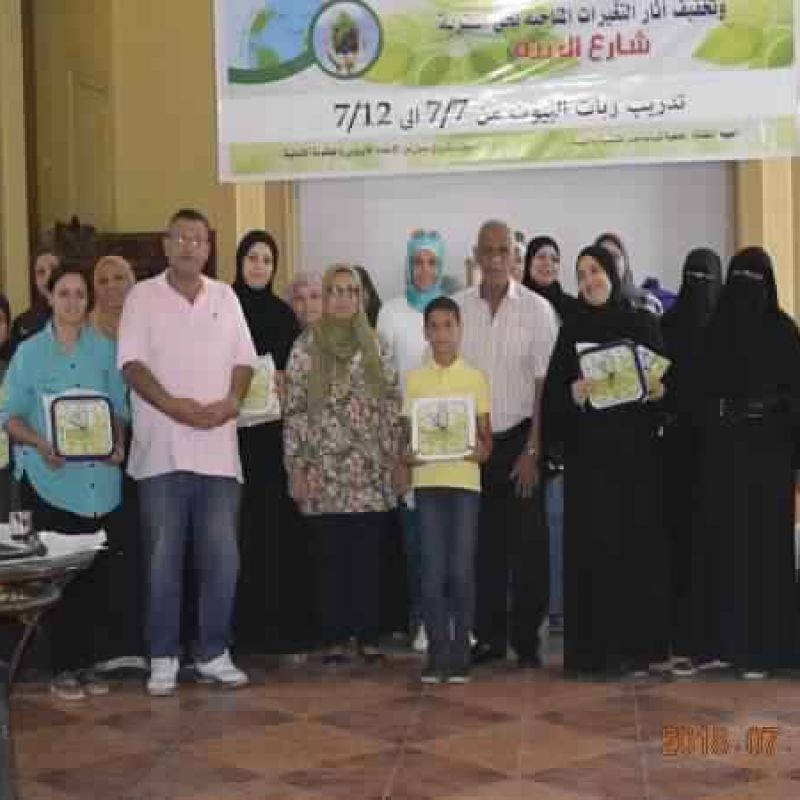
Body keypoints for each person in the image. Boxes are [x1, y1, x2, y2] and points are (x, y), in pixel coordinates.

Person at [117, 208, 258, 696]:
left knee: (222, 559)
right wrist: (174, 406)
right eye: (180, 238)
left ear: (208, 246)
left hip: (219, 453)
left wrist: (231, 402)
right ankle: (162, 656)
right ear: (165, 243)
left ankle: (214, 652)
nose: (189, 246)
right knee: (162, 559)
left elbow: (244, 362)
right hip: (161, 454)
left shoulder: (226, 297)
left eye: (198, 239)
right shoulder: (142, 297)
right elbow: (131, 365)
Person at [542, 245, 669, 678]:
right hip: (589, 465)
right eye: (581, 275)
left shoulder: (642, 322)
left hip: (634, 463)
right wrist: (571, 395)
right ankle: (593, 653)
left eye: (595, 271)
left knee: (631, 551)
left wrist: (659, 394)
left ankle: (634, 650)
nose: (589, 280)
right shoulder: (571, 327)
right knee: (592, 552)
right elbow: (553, 400)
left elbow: (666, 390)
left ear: (613, 274)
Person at [5, 264, 128, 701]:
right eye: (64, 293)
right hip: (53, 482)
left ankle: (89, 666)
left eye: (79, 294)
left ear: (87, 301)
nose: (73, 301)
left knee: (96, 580)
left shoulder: (105, 350)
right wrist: (40, 443)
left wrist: (117, 443)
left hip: (100, 484)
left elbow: (118, 408)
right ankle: (62, 668)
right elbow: (9, 416)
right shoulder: (30, 353)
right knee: (59, 582)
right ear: (50, 299)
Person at [284, 264, 405, 665]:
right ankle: (335, 637)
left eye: (351, 291)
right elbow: (296, 409)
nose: (342, 298)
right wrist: (297, 467)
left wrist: (397, 459)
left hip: (369, 470)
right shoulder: (305, 346)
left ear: (361, 297)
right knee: (329, 558)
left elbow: (391, 405)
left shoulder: (378, 345)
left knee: (367, 558)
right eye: (334, 290)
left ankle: (368, 636)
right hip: (324, 469)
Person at [690, 247, 800, 679]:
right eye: (739, 278)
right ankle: (720, 644)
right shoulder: (713, 332)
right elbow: (695, 394)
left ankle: (761, 648)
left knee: (762, 551)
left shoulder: (785, 333)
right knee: (721, 547)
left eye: (755, 280)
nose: (746, 289)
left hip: (768, 459)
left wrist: (768, 409)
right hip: (721, 458)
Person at [455, 220, 558, 669]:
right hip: (475, 442)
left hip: (521, 439)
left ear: (514, 258)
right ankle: (491, 637)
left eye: (504, 251)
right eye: (488, 250)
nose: (496, 258)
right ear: (477, 255)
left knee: (529, 548)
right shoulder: (458, 309)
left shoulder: (536, 310)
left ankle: (528, 639)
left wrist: (533, 451)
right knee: (485, 548)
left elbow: (544, 387)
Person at [231, 230, 316, 656]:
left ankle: (278, 628)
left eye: (267, 259)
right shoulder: (223, 306)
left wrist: (285, 384)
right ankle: (238, 632)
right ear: (239, 261)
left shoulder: (283, 316)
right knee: (237, 533)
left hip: (273, 440)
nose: (259, 266)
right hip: (230, 438)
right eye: (252, 257)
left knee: (274, 532)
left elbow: (296, 372)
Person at [404, 297, 492, 683]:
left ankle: (460, 656)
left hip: (464, 486)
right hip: (428, 486)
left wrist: (480, 451)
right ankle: (437, 655)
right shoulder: (414, 380)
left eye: (448, 325)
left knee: (460, 571)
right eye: (434, 326)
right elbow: (406, 439)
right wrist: (409, 455)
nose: (441, 334)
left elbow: (487, 441)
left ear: (460, 329)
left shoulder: (475, 378)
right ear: (425, 332)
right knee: (432, 572)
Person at [377, 230, 445, 651]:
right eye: (417, 262)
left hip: (448, 439)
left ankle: (450, 618)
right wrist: (396, 450)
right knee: (417, 538)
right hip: (406, 438)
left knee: (449, 534)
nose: (424, 270)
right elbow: (386, 384)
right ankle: (422, 619)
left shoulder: (451, 311)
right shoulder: (391, 312)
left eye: (432, 262)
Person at [659, 249, 722, 676]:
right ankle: (681, 638)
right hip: (679, 454)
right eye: (692, 277)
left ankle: (710, 638)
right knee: (679, 546)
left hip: (717, 457)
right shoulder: (666, 326)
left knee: (711, 546)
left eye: (705, 277)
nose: (698, 284)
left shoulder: (729, 329)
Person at [87, 255, 147, 673]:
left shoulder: (148, 325)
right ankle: (107, 645)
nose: (112, 286)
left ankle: (139, 641)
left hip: (150, 450)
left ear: (134, 281)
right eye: (103, 280)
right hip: (99, 458)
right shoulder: (85, 334)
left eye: (120, 278)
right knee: (106, 547)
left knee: (144, 546)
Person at [521, 235, 579, 634]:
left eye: (554, 259)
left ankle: (557, 609)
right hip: (518, 431)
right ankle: (524, 608)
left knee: (556, 521)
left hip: (560, 435)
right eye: (540, 257)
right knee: (523, 527)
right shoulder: (514, 306)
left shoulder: (573, 309)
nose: (547, 263)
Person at [595, 233, 663, 316]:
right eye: (604, 257)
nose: (610, 263)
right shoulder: (586, 309)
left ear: (625, 263)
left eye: (615, 256)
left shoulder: (646, 302)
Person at [9, 248, 59, 356]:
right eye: (41, 272)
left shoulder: (83, 317)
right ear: (35, 280)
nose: (48, 277)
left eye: (54, 270)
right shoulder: (22, 323)